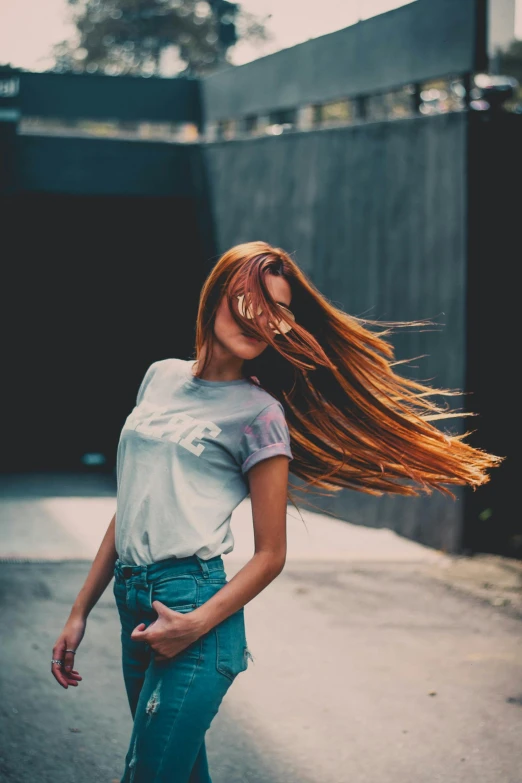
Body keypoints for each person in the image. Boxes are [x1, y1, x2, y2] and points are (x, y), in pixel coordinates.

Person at [51, 241, 501, 782]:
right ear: (216, 295)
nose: (257, 319)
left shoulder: (261, 415)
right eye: (245, 300)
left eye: (276, 312)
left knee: (146, 773)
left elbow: (270, 555)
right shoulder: (159, 376)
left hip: (196, 606)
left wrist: (192, 624)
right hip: (134, 603)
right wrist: (80, 611)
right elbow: (130, 510)